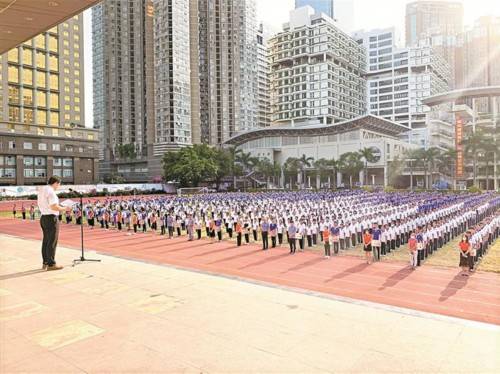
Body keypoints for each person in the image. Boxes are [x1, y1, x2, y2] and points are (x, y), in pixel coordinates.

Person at [37, 176, 68, 271]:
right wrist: (64, 208)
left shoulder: (42, 190)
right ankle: (51, 264)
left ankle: (45, 262)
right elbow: (54, 206)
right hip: (51, 218)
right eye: (59, 184)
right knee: (52, 241)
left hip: (43, 217)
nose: (58, 186)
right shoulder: (51, 192)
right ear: (56, 183)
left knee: (46, 241)